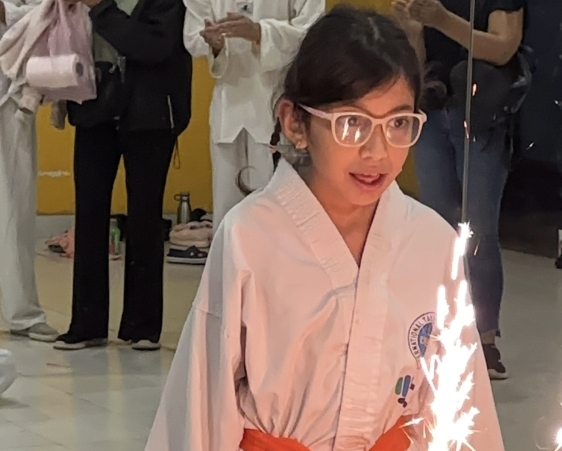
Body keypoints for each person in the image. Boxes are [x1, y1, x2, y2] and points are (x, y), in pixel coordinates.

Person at [113, 7, 516, 451]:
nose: (378, 151)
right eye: (352, 123)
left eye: (399, 123)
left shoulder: (428, 241)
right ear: (295, 122)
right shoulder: (251, 237)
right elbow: (201, 403)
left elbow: (462, 407)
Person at [392, 0, 524, 381]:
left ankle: (485, 338)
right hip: (432, 111)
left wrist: (442, 20)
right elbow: (413, 61)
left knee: (479, 229)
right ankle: (438, 332)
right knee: (436, 229)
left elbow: (503, 47)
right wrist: (412, 31)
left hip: (481, 114)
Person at [53, 0, 192, 351]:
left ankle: (142, 326)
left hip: (151, 115)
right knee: (89, 214)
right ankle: (87, 324)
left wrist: (100, 8)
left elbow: (152, 46)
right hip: (94, 110)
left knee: (145, 217)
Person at [183, 0, 324, 233]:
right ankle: (230, 256)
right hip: (229, 108)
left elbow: (314, 33)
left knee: (277, 211)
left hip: (276, 105)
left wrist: (261, 33)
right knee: (228, 213)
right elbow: (193, 37)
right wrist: (215, 44)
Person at [0, 0, 58, 343]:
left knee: (15, 210)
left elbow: (48, 8)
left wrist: (6, 12)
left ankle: (23, 313)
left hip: (10, 94)